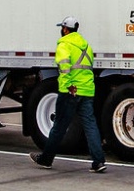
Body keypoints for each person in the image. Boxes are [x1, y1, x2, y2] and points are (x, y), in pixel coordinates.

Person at [33, 16, 106, 172]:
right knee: (90, 125)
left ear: (65, 29)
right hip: (87, 90)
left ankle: (46, 159)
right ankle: (98, 162)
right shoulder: (85, 45)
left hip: (71, 91)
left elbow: (64, 70)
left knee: (59, 126)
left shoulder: (64, 45)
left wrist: (67, 89)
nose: (61, 30)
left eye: (62, 28)